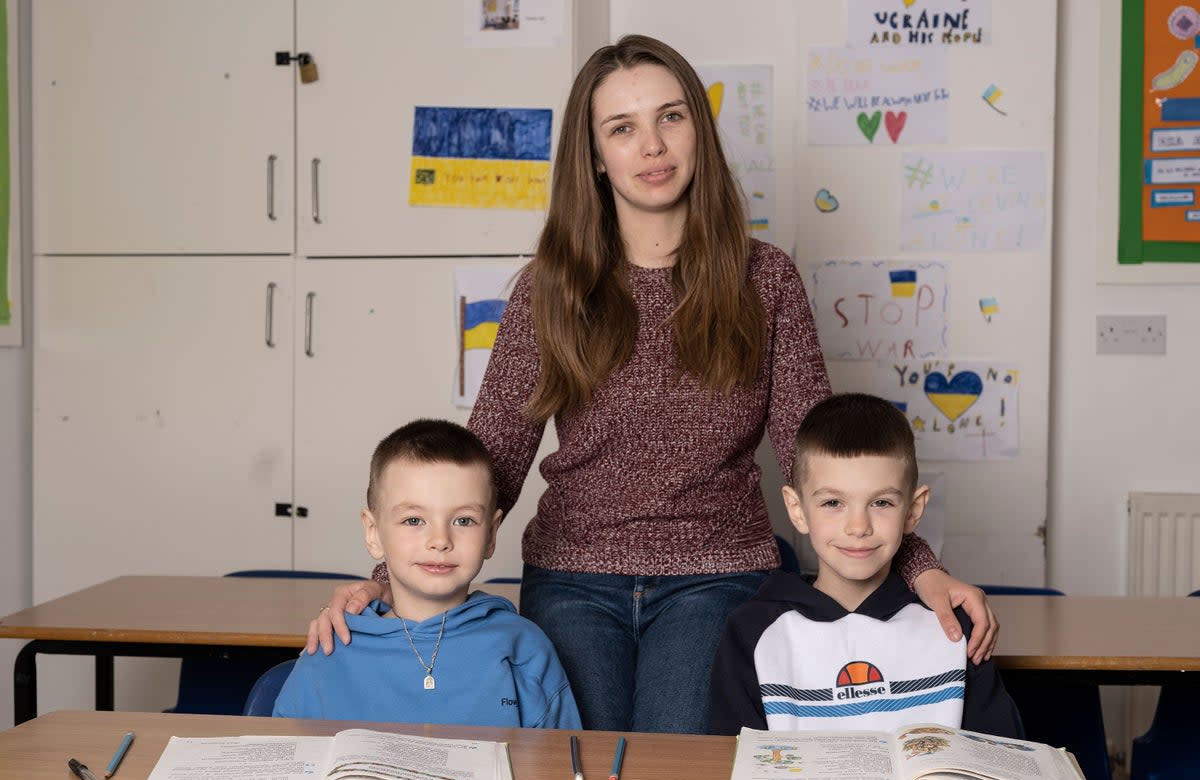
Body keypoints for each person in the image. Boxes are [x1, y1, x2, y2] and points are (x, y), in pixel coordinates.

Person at [307, 34, 997, 734]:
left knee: (672, 764)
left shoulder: (767, 281)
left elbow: (825, 463)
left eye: (671, 117)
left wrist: (922, 569)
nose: (652, 147)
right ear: (596, 157)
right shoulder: (549, 290)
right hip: (573, 576)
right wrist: (381, 587)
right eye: (623, 128)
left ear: (700, 129)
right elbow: (483, 468)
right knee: (576, 767)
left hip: (719, 574)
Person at [709, 394, 1022, 738]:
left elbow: (1002, 759)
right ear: (797, 510)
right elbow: (730, 767)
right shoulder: (753, 631)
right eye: (833, 502)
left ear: (914, 510)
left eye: (881, 502)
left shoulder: (953, 626)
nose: (858, 527)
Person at [274, 419, 581, 729]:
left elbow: (559, 769)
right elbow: (286, 762)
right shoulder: (329, 648)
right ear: (373, 533)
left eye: (463, 521)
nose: (440, 541)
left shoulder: (523, 647)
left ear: (491, 535)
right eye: (413, 520)